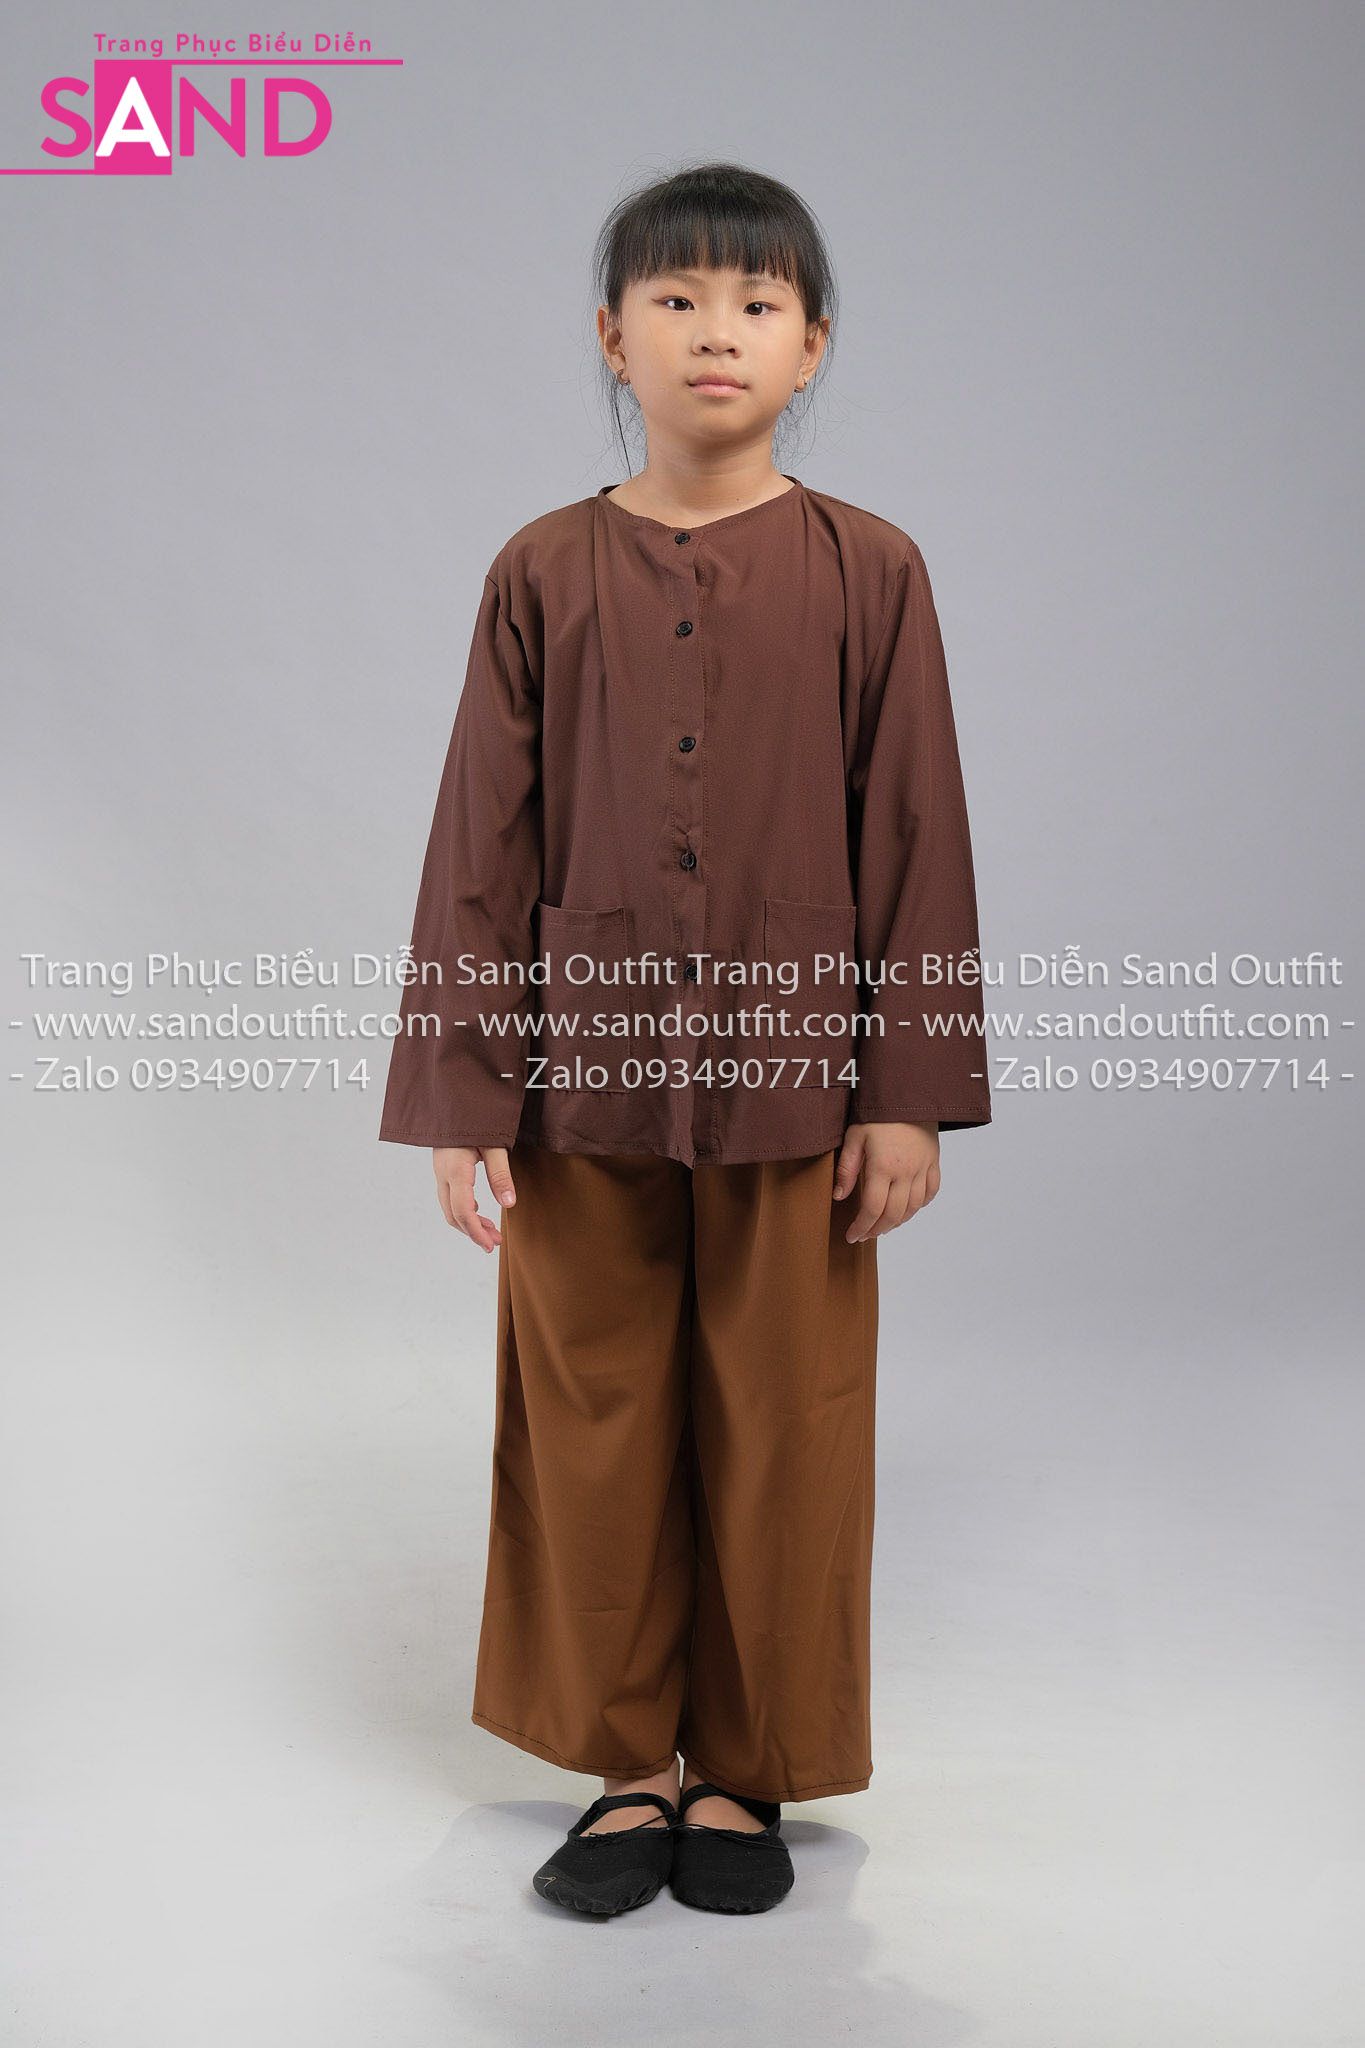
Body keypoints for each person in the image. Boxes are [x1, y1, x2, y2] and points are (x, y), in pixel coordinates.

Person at [379, 159, 992, 1917]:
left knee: (787, 1418)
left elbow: (915, 832)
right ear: (610, 337)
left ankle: (743, 1770)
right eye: (675, 299)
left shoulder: (870, 571)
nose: (714, 331)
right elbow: (479, 844)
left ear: (810, 347)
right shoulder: (539, 569)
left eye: (755, 303)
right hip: (579, 1082)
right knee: (590, 1414)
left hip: (801, 1082)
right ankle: (624, 1770)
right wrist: (462, 1093)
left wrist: (907, 1093)